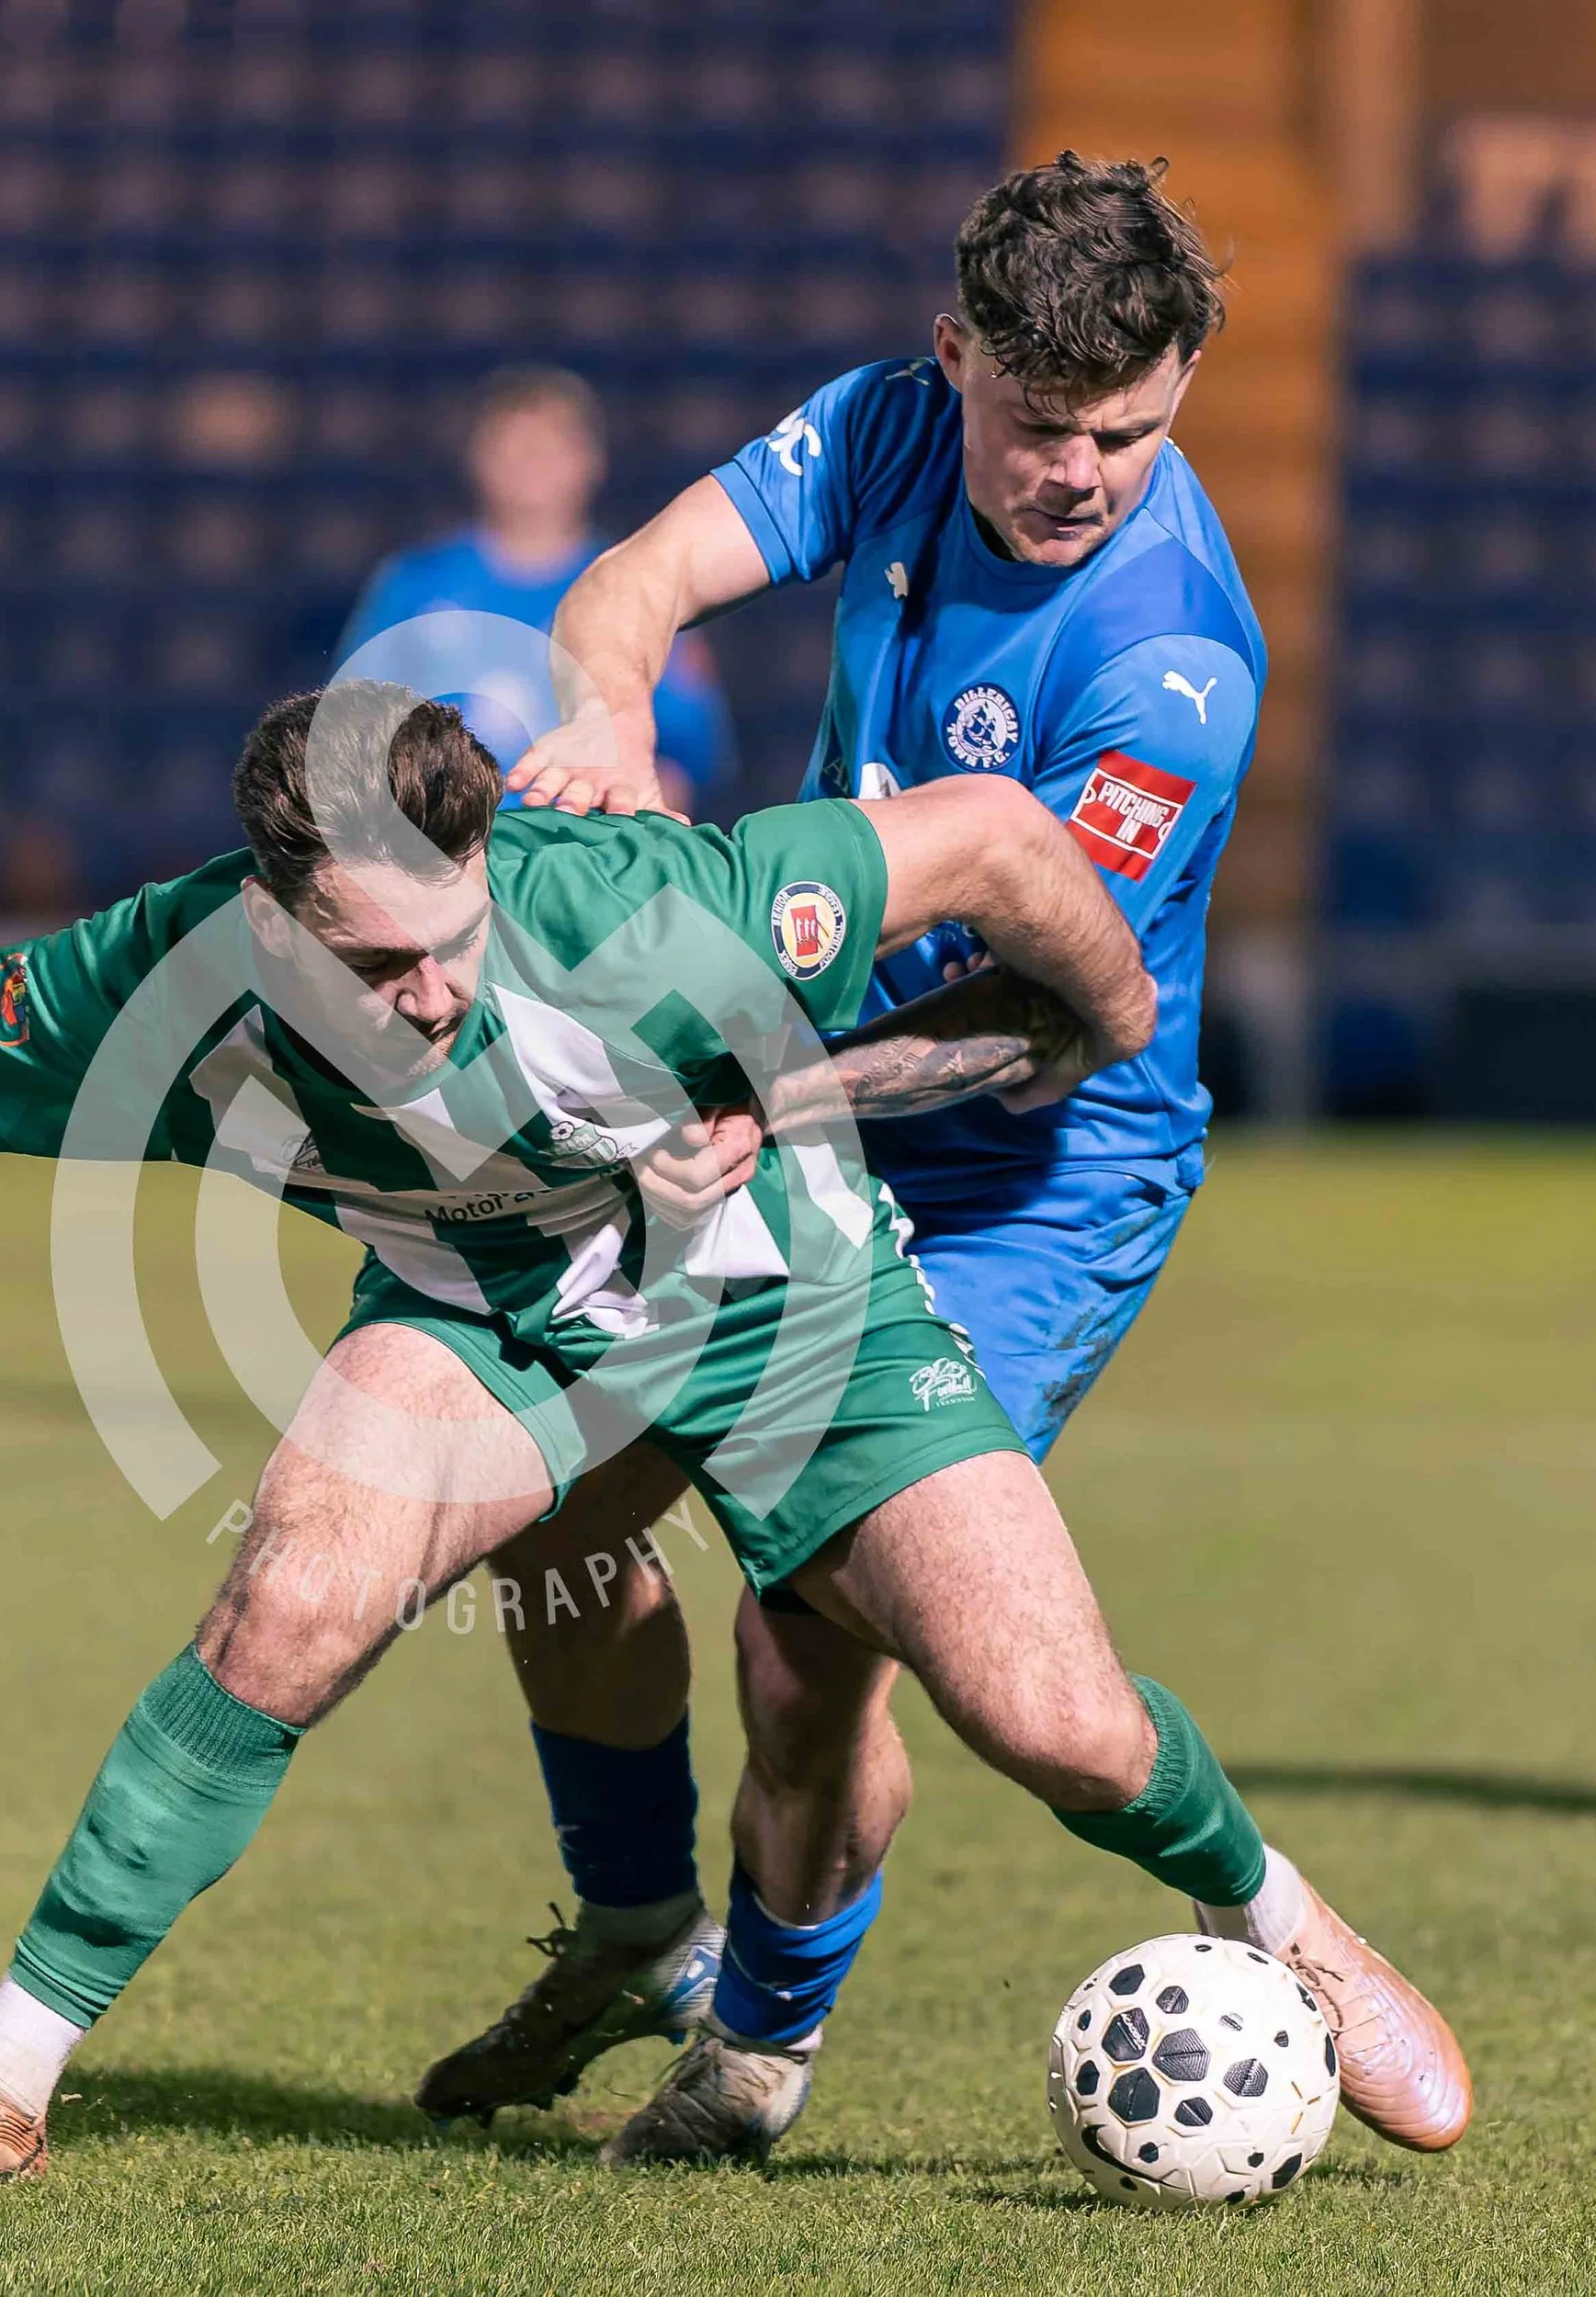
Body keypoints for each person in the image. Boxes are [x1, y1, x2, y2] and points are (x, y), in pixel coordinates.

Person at [0, 683, 1458, 2192]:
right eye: (380, 969)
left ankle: (1293, 1925)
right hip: (489, 1311)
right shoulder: (175, 973)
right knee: (291, 1597)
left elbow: (1002, 844)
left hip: (783, 1297)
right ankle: (3, 2080)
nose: (434, 1000)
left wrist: (1099, 1028)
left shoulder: (666, 901)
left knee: (1055, 1721)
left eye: (455, 946)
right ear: (275, 915)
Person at [417, 153, 1475, 2164]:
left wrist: (772, 1102)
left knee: (807, 1629)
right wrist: (613, 712)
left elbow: (1044, 1018)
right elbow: (626, 581)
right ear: (947, 361)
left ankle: (757, 2056)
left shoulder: (1171, 667)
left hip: (1031, 1166)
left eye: (1127, 433)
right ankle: (637, 1915)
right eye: (1036, 422)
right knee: (533, 1512)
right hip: (791, 1089)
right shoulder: (885, 430)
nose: (1077, 470)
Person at [337, 366, 735, 818]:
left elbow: (681, 760)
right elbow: (352, 738)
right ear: (477, 457)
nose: (531, 462)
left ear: (591, 459)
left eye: (550, 446)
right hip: (440, 850)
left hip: (584, 848)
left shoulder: (640, 582)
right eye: (513, 445)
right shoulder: (411, 584)